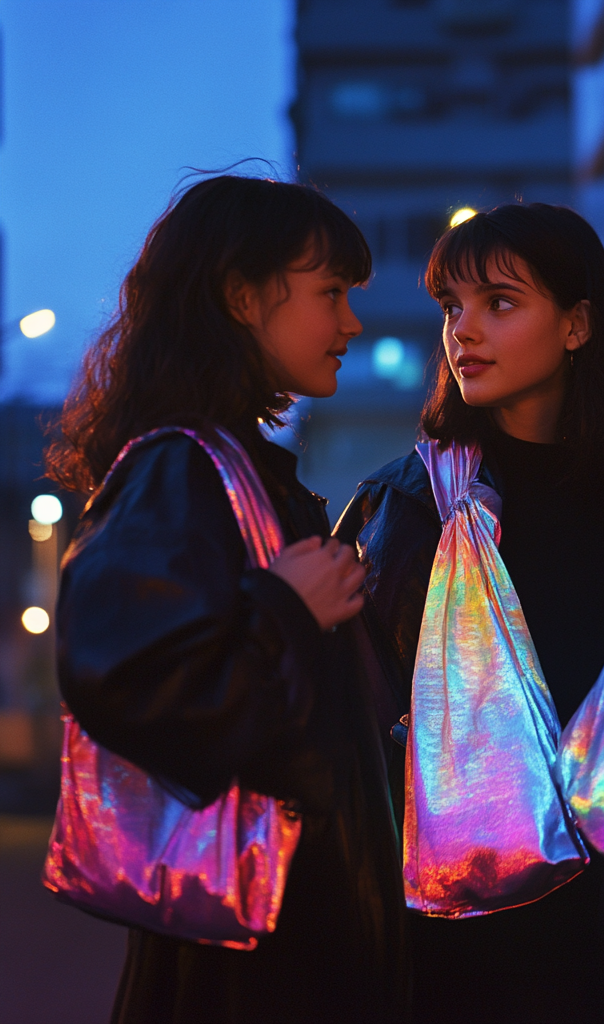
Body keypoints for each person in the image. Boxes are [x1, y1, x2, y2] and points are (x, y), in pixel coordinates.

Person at [48, 176, 405, 1024]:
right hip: (247, 966)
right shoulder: (182, 468)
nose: (350, 322)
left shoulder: (232, 468)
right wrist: (285, 608)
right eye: (329, 294)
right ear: (242, 297)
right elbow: (133, 682)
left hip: (275, 948)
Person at [334, 203, 604, 1023]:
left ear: (577, 325)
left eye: (500, 303)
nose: (465, 332)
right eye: (453, 307)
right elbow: (363, 716)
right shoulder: (414, 503)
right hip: (449, 926)